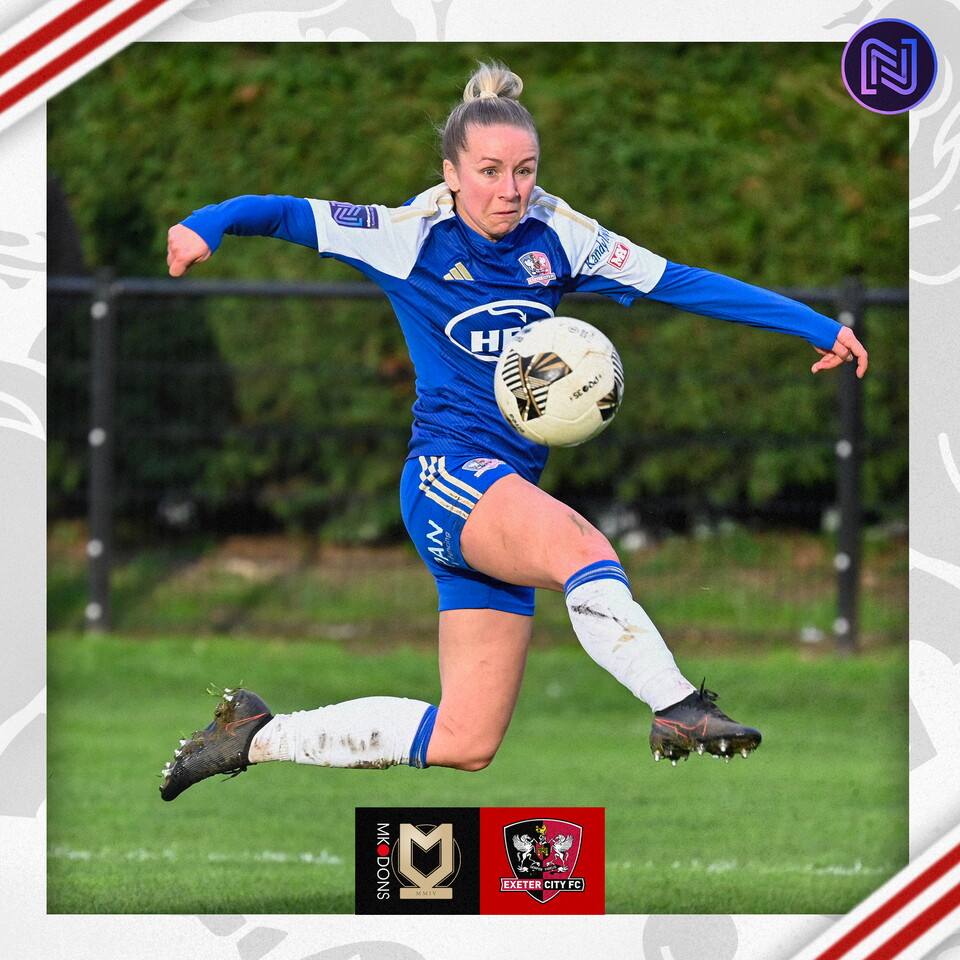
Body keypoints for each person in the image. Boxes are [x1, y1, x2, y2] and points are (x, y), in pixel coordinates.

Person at [159, 61, 867, 801]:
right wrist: (204, 226)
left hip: (505, 498)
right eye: (490, 171)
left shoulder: (559, 234)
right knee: (581, 549)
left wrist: (815, 325)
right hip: (447, 478)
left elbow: (680, 281)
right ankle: (677, 705)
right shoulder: (406, 235)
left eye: (525, 171)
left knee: (466, 741)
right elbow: (281, 213)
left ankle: (254, 736)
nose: (510, 189)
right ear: (451, 174)